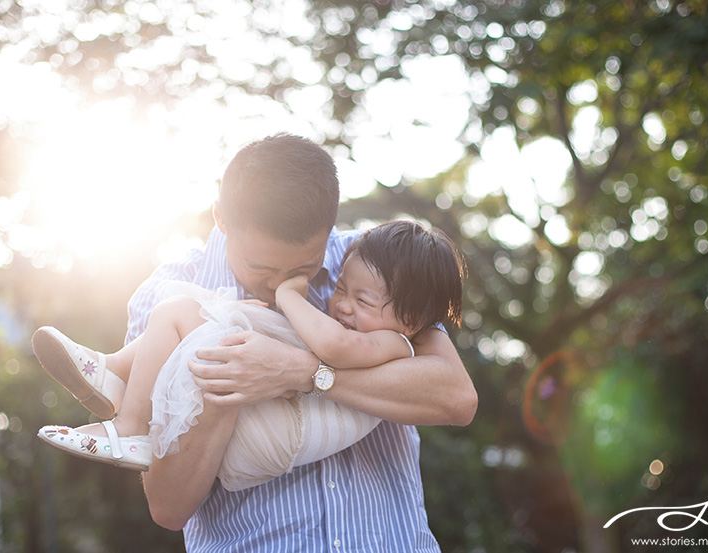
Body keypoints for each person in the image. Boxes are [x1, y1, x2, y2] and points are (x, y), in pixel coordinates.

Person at [40, 134, 477, 551]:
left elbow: (455, 398)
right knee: (197, 322)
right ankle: (115, 377)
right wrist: (225, 379)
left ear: (330, 227)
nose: (281, 283)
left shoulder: (373, 272)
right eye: (261, 267)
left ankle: (115, 375)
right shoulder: (171, 290)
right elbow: (168, 506)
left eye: (304, 267)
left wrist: (300, 372)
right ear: (221, 219)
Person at [35, 220, 466, 493]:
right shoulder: (383, 319)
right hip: (247, 451)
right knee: (186, 307)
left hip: (275, 437)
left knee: (187, 313)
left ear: (411, 319)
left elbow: (332, 347)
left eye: (363, 300)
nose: (342, 306)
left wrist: (288, 297)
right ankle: (113, 373)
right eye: (339, 290)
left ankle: (129, 419)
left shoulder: (396, 344)